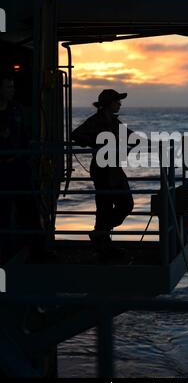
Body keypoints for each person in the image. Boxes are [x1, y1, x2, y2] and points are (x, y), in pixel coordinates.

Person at [71, 89, 134, 257]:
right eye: (116, 101)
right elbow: (76, 135)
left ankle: (100, 233)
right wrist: (96, 143)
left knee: (126, 204)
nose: (120, 104)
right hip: (102, 169)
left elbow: (132, 137)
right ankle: (103, 242)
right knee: (105, 207)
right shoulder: (96, 121)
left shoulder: (114, 122)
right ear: (107, 104)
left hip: (114, 168)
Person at [0, 73, 43, 264]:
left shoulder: (16, 109)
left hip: (19, 166)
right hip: (2, 169)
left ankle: (37, 251)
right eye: (8, 87)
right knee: (3, 212)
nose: (12, 90)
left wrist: (29, 155)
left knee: (29, 210)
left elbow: (24, 135)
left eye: (12, 87)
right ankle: (5, 253)